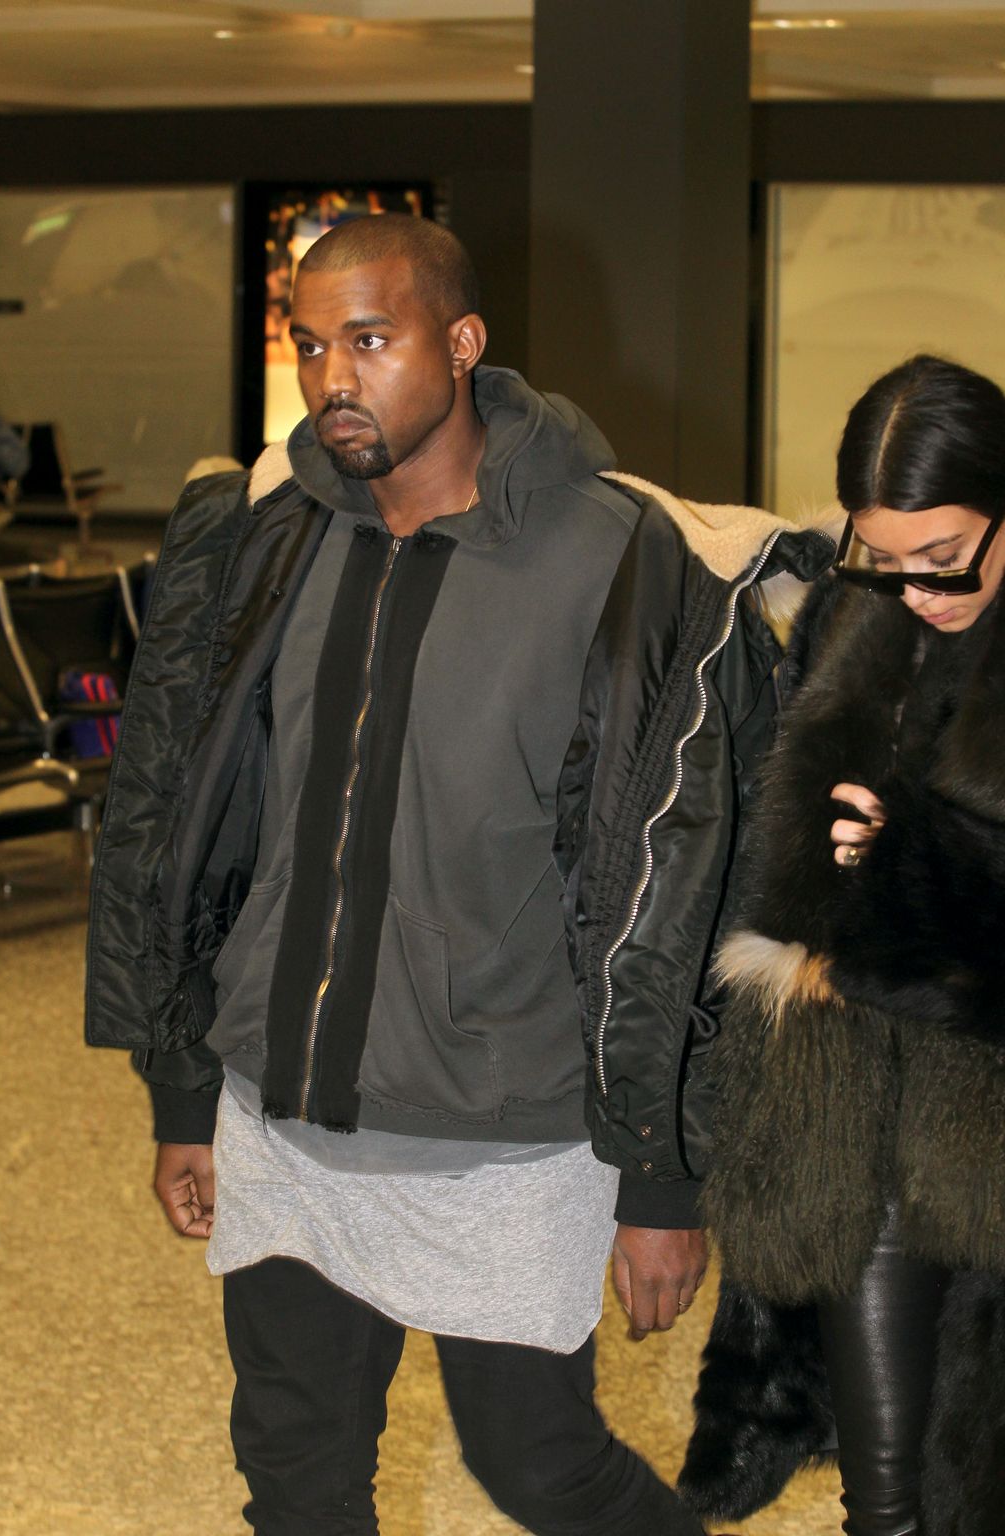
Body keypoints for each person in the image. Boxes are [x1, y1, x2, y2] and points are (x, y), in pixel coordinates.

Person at [85, 213, 828, 1536]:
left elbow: (686, 888)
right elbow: (201, 827)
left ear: (464, 344)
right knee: (296, 1474)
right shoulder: (276, 535)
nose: (332, 381)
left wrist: (662, 1179)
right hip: (284, 1101)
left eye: (371, 340)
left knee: (539, 1465)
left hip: (504, 1125)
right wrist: (184, 1086)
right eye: (311, 345)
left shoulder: (619, 559)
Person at [678, 354, 1005, 1536]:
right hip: (854, 1125)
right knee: (884, 1500)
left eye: (944, 556)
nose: (915, 587)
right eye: (882, 553)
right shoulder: (845, 614)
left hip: (1002, 1143)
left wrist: (911, 864)